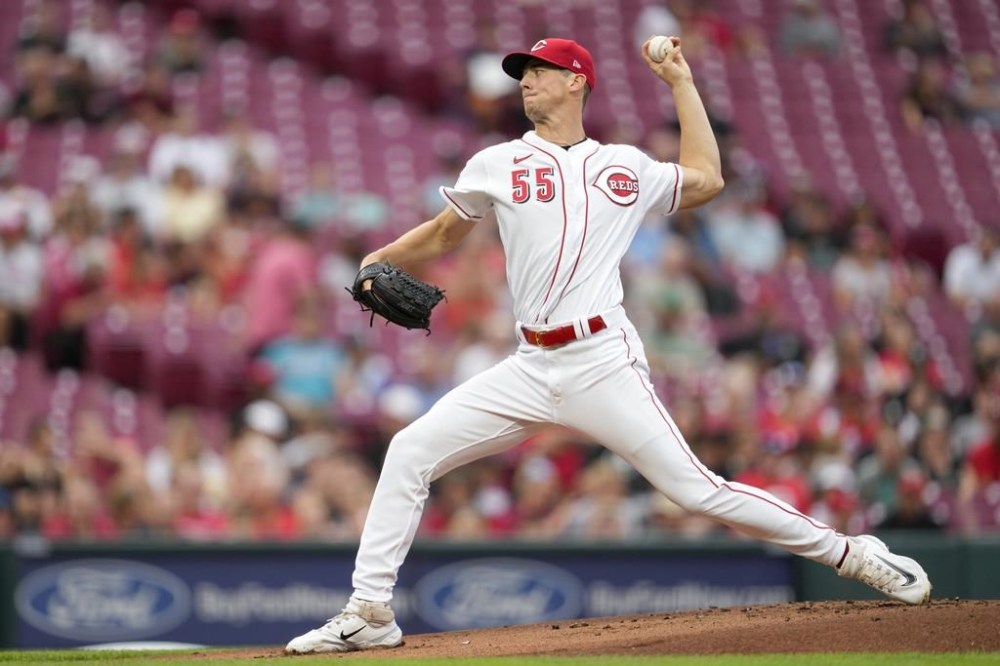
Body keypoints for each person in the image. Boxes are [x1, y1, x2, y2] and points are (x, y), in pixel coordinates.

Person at [286, 36, 932, 654]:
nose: (526, 81)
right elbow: (443, 233)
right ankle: (369, 611)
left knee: (696, 491)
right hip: (530, 365)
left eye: (538, 71)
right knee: (409, 451)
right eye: (522, 73)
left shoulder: (623, 167)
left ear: (576, 82)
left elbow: (706, 178)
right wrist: (379, 255)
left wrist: (680, 82)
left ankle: (853, 554)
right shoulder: (499, 161)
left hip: (601, 363)